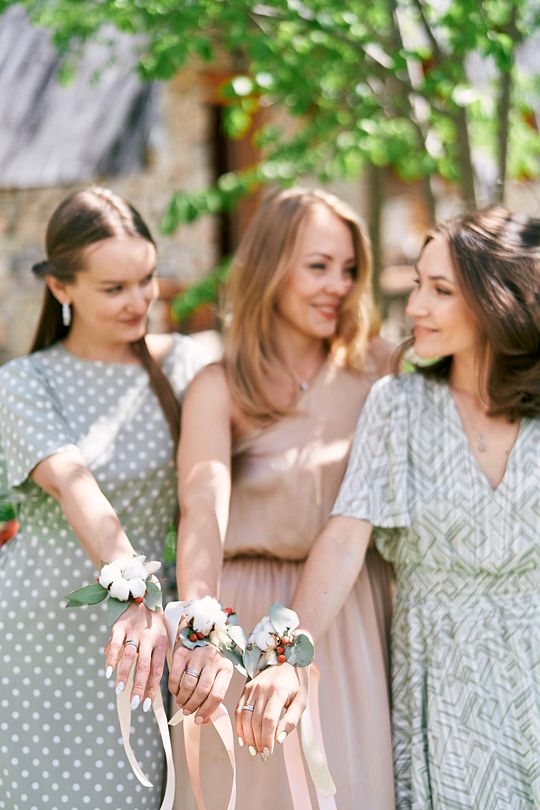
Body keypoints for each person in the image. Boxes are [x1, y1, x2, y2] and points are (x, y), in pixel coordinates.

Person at [242, 206, 540, 809]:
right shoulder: (398, 405)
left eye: (440, 290)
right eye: (418, 284)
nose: (415, 307)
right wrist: (286, 653)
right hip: (442, 683)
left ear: (500, 300)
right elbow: (344, 537)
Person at [168, 187, 396, 809]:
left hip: (345, 615)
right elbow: (201, 506)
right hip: (241, 616)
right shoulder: (221, 384)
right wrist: (201, 628)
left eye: (349, 269)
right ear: (271, 268)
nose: (339, 286)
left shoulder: (381, 371)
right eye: (319, 266)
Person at [0, 187, 205, 810]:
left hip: (148, 641)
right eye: (114, 288)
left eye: (146, 280)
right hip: (40, 634)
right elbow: (71, 482)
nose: (139, 300)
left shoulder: (185, 368)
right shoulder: (23, 382)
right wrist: (134, 589)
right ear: (60, 288)